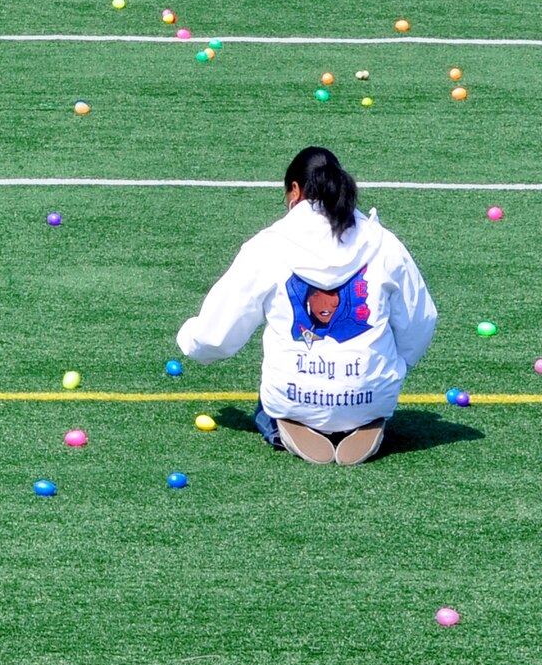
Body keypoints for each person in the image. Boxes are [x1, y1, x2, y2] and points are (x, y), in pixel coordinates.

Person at [176, 147, 438, 465]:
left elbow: (215, 337)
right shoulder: (383, 243)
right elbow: (420, 321)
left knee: (269, 400)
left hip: (295, 391)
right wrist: (393, 368)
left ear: (295, 192)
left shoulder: (268, 246)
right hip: (370, 391)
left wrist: (189, 338)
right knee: (370, 382)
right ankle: (363, 418)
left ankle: (287, 423)